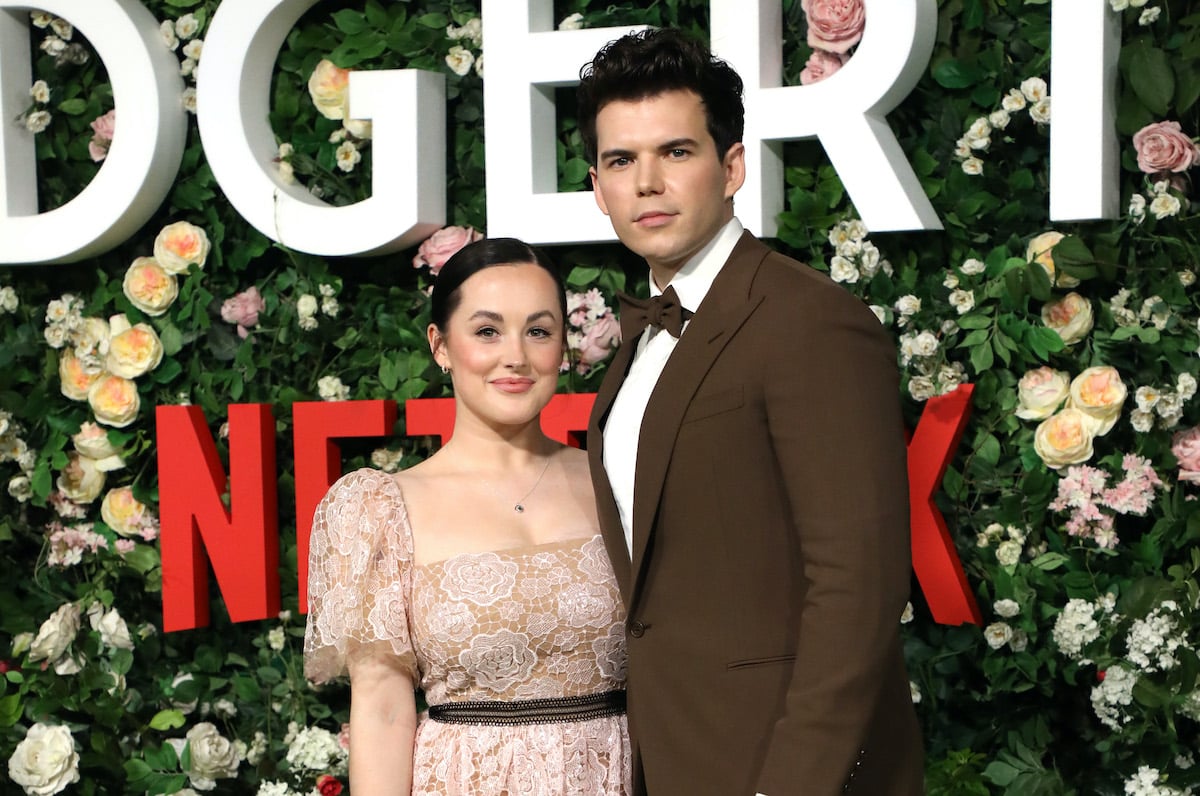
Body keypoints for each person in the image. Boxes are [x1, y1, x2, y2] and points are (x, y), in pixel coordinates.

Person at [578, 29, 924, 795]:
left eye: (676, 152)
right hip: (676, 758)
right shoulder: (638, 344)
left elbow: (859, 585)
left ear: (731, 166)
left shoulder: (809, 321)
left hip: (789, 770)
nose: (647, 183)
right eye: (621, 161)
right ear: (598, 188)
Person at [303, 238, 631, 794]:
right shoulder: (380, 509)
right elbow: (383, 710)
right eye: (487, 331)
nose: (516, 356)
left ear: (562, 346)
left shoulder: (618, 480)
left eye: (538, 331)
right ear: (440, 346)